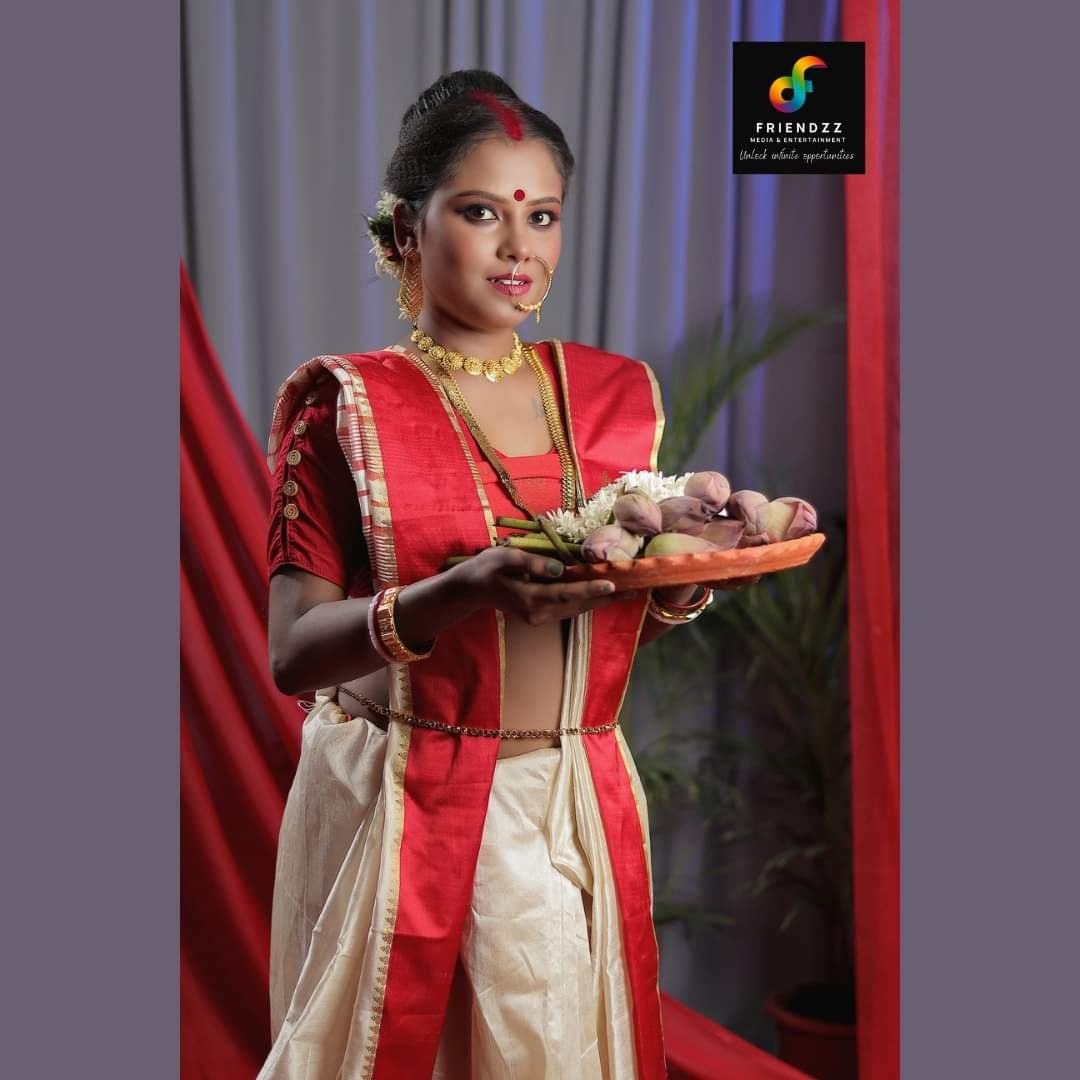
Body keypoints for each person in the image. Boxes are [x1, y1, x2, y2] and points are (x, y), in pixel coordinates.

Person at [257, 70, 756, 1080]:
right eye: (482, 212)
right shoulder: (347, 408)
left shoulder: (607, 399)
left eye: (543, 215)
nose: (519, 246)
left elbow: (614, 610)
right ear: (406, 230)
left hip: (569, 794)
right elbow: (292, 655)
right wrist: (457, 593)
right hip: (400, 795)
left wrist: (689, 572)